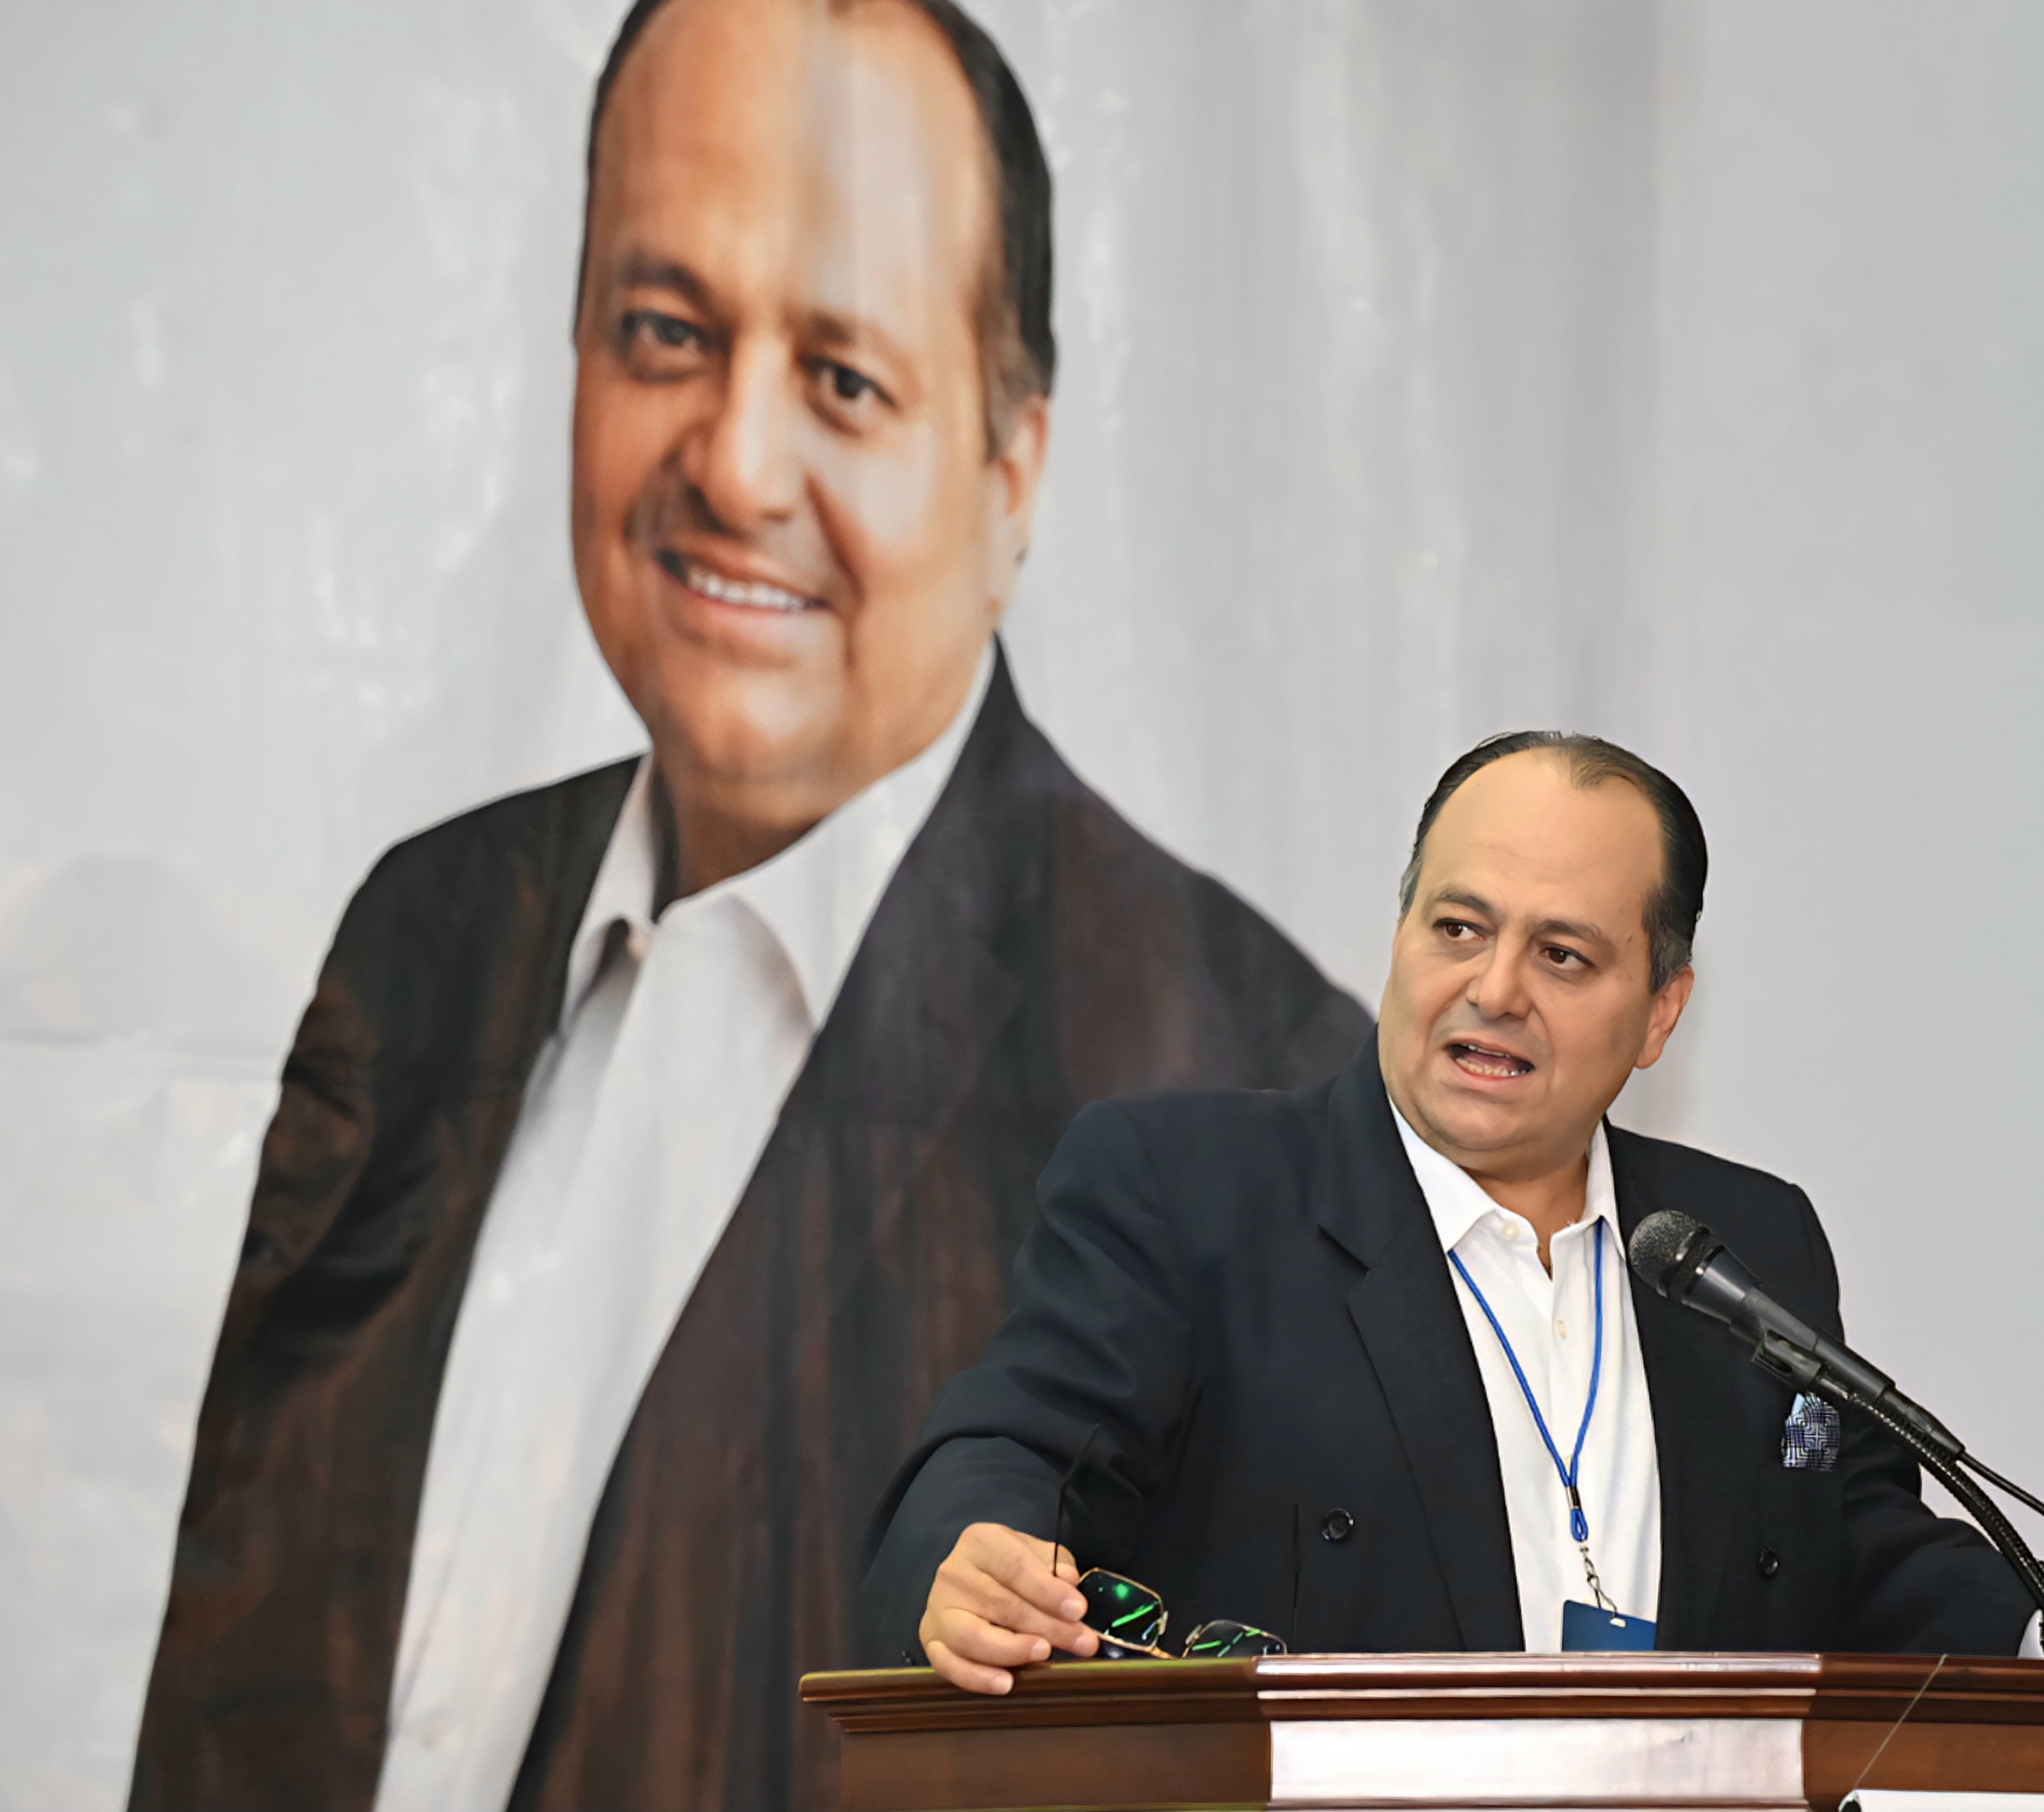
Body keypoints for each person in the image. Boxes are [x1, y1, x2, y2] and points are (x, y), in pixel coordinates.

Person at [127, 4, 1368, 1808]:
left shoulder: (1251, 1084)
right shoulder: (428, 928)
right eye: (664, 331)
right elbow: (236, 1680)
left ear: (1013, 466)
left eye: (844, 376)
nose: (732, 464)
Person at [867, 732, 2044, 1742]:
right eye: (1457, 926)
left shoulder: (1742, 1241)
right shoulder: (1193, 1188)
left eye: (1562, 954)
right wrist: (968, 1550)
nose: (1493, 989)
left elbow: (1859, 1545)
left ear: (1660, 1010)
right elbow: (1016, 1442)